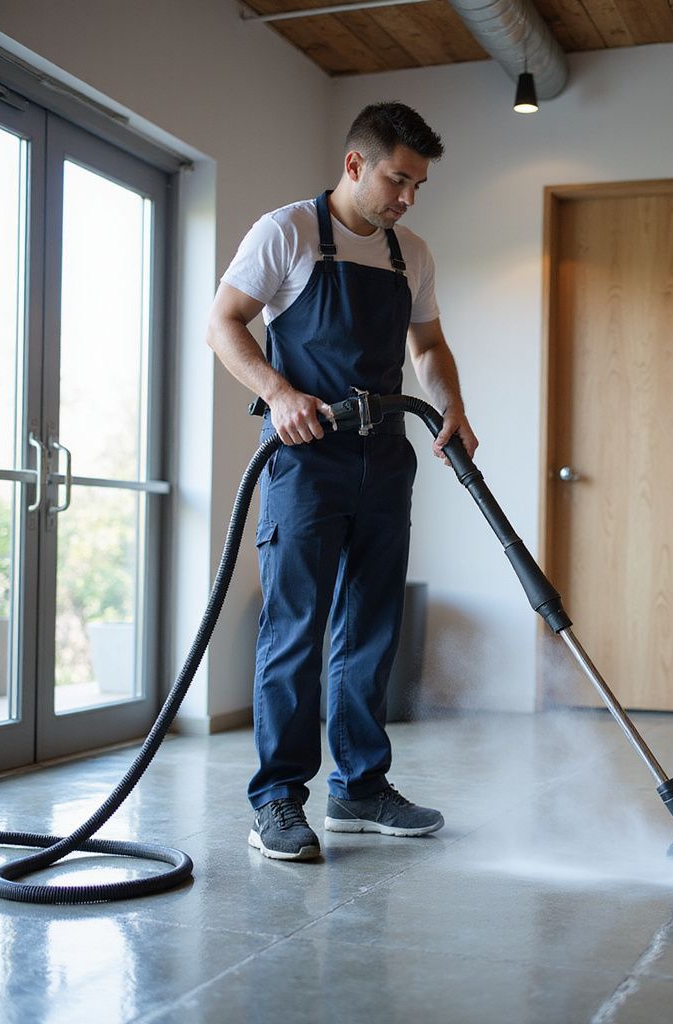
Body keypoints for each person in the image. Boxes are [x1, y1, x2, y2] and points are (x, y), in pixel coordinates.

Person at [206, 102, 477, 860]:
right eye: (399, 179)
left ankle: (359, 788)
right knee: (295, 628)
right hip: (305, 460)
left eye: (418, 184)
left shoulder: (409, 254)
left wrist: (452, 407)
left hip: (385, 456)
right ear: (356, 165)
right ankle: (277, 802)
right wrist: (279, 393)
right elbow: (224, 322)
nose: (408, 198)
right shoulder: (285, 232)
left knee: (371, 627)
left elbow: (428, 345)